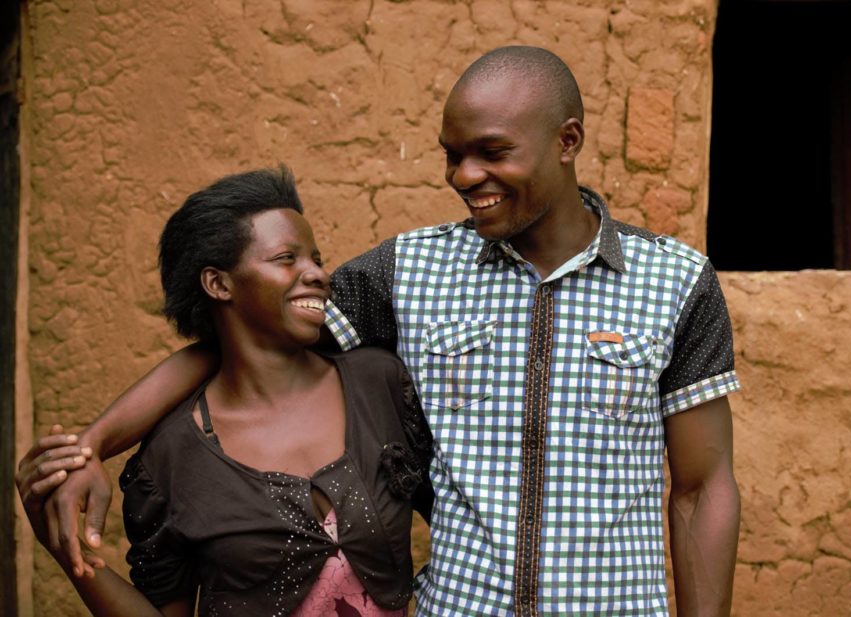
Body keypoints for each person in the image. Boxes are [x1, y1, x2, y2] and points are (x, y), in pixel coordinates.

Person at [20, 46, 740, 616]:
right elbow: (236, 346)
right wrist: (90, 446)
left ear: (567, 140)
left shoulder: (676, 281)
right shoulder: (406, 271)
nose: (464, 174)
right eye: (452, 154)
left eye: (491, 152)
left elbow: (702, 488)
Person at [16, 166, 434, 616]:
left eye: (315, 258)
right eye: (286, 259)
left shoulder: (381, 384)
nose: (317, 273)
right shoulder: (172, 457)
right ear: (218, 283)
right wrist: (67, 550)